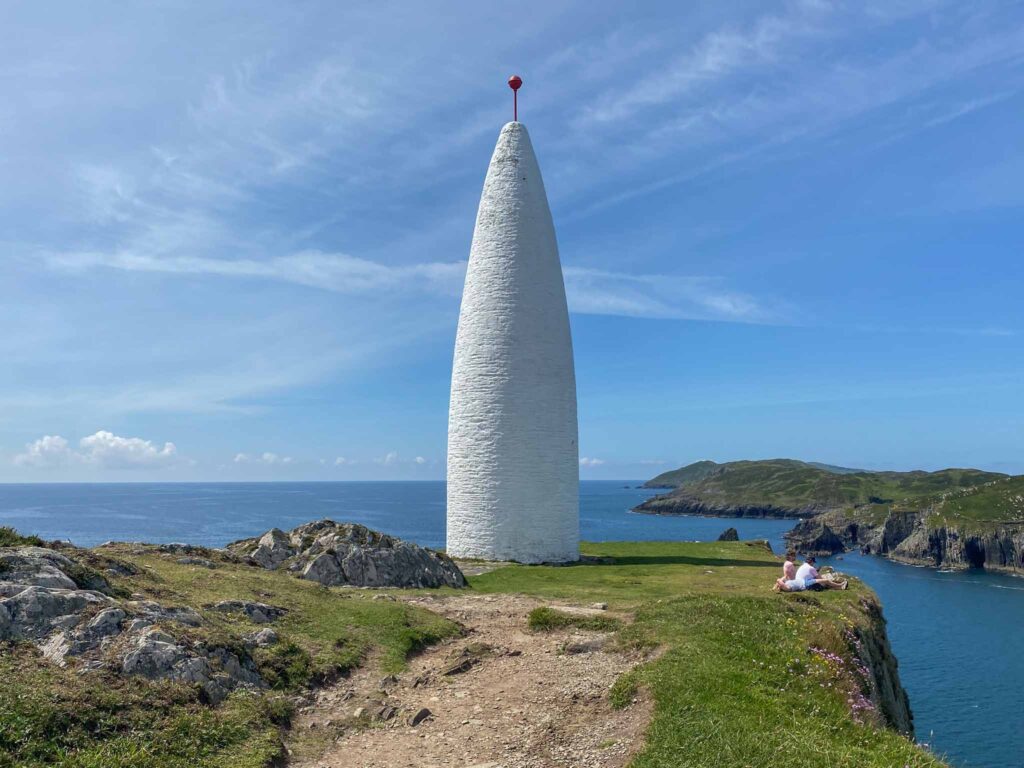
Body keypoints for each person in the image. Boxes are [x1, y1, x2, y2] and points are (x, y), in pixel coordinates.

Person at [774, 554, 849, 592]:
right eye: (813, 562)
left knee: (825, 580)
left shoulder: (787, 583)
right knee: (825, 581)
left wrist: (777, 585)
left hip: (804, 581)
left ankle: (838, 585)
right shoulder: (788, 588)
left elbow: (779, 580)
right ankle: (840, 586)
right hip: (805, 584)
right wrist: (779, 583)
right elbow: (779, 581)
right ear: (811, 562)